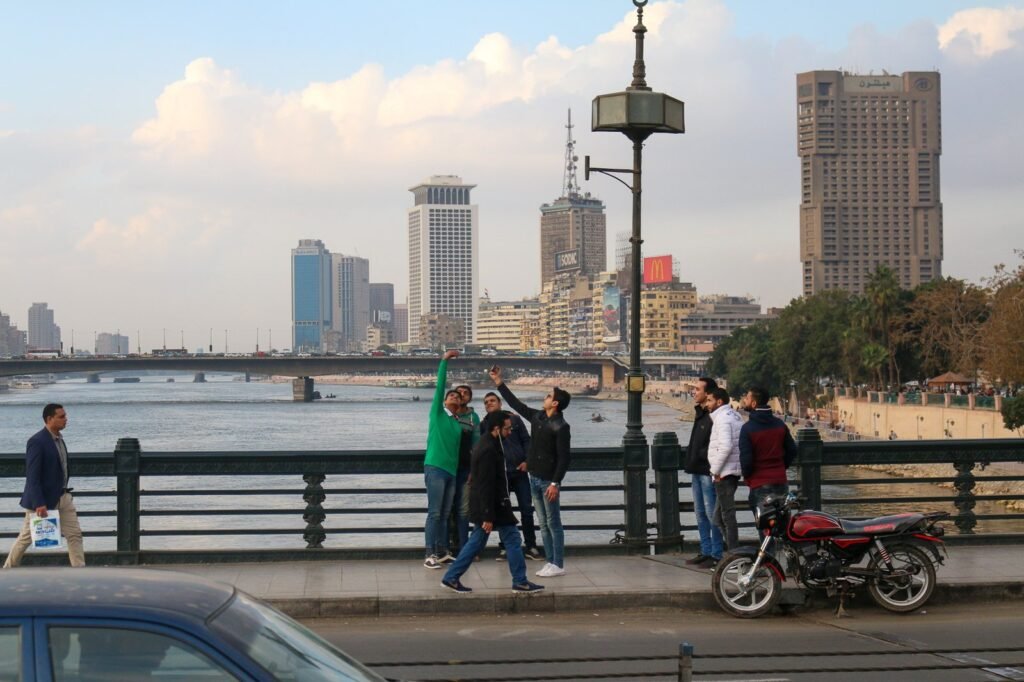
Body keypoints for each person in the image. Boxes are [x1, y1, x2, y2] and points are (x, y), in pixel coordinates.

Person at [440, 410, 545, 594]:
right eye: (507, 428)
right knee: (512, 539)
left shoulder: (488, 444)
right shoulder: (489, 450)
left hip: (489, 505)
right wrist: (487, 515)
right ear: (497, 429)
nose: (510, 432)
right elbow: (486, 484)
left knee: (476, 542)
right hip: (494, 506)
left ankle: (451, 577)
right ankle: (520, 581)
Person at [489, 365, 571, 578]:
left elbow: (564, 458)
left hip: (547, 481)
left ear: (555, 403)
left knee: (554, 522)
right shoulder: (538, 418)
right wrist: (499, 382)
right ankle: (550, 561)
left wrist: (555, 483)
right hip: (533, 476)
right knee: (543, 523)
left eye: (547, 396)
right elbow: (517, 404)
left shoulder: (561, 426)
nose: (544, 398)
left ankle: (558, 563)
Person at [4, 403, 85, 568]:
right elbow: (33, 476)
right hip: (43, 500)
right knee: (26, 537)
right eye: (61, 417)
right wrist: (39, 502)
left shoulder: (60, 440)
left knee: (74, 535)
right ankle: (7, 570)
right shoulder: (37, 441)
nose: (66, 419)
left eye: (65, 416)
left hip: (63, 497)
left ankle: (79, 571)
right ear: (49, 419)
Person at [481, 392, 542, 561]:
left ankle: (531, 545)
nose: (489, 404)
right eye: (486, 402)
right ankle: (505, 547)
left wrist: (527, 461)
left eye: (492, 400)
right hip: (501, 476)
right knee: (503, 511)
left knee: (526, 509)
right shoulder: (484, 424)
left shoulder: (514, 420)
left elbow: (526, 440)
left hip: (520, 472)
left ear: (500, 403)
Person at [422, 350, 463, 569]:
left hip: (451, 472)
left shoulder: (458, 422)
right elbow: (439, 388)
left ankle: (442, 550)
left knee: (446, 514)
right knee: (435, 512)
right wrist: (444, 361)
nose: (454, 398)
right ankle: (429, 554)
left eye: (458, 397)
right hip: (436, 468)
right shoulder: (437, 414)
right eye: (451, 396)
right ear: (444, 401)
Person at [681, 377, 722, 568]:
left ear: (708, 393)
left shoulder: (714, 416)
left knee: (711, 512)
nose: (694, 392)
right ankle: (706, 551)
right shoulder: (700, 413)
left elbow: (718, 443)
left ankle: (716, 553)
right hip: (696, 469)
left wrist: (699, 455)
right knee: (700, 513)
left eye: (697, 389)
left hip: (707, 470)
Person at [739, 386, 797, 513]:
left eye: (747, 398)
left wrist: (748, 476)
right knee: (782, 524)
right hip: (780, 480)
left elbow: (746, 460)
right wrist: (781, 466)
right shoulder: (779, 424)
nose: (744, 400)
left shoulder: (747, 429)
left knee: (765, 526)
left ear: (754, 403)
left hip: (759, 483)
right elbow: (792, 449)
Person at [707, 388, 742, 553]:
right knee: (718, 517)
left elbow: (726, 446)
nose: (707, 405)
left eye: (709, 401)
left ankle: (734, 556)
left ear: (719, 402)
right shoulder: (735, 416)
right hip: (731, 471)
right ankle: (733, 554)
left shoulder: (722, 419)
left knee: (726, 516)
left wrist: (715, 470)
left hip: (724, 473)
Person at [453, 384, 480, 551]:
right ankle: (443, 548)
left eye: (466, 393)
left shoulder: (473, 417)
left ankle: (465, 549)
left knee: (463, 510)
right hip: (446, 468)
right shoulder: (446, 415)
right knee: (445, 510)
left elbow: (476, 445)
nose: (462, 395)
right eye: (459, 392)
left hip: (464, 470)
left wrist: (473, 470)